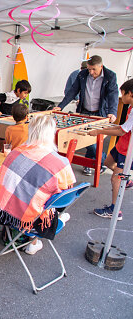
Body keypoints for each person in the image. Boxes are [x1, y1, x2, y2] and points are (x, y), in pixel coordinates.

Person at [0, 115, 76, 255]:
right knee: (52, 199)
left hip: (4, 213)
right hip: (36, 222)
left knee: (34, 194)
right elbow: (68, 190)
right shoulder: (61, 163)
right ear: (51, 133)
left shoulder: (14, 153)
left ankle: (30, 237)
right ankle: (33, 243)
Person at [55, 55, 119, 176]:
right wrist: (61, 106)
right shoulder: (82, 74)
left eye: (93, 69)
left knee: (92, 140)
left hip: (100, 113)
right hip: (84, 111)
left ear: (101, 66)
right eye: (89, 69)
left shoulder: (110, 76)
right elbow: (73, 91)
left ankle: (93, 163)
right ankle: (98, 162)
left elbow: (113, 95)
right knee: (88, 139)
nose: (91, 72)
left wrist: (112, 112)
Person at [88, 79, 133, 220]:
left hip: (128, 150)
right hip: (122, 146)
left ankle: (115, 211)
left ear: (130, 93)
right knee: (107, 162)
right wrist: (102, 128)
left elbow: (122, 131)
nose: (122, 96)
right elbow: (122, 126)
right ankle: (127, 181)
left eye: (123, 94)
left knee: (115, 179)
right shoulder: (131, 107)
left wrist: (99, 132)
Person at [0, 80, 31, 152]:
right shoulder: (8, 96)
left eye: (27, 94)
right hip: (1, 123)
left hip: (10, 123)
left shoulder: (19, 97)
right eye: (25, 93)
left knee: (7, 146)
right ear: (19, 90)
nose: (26, 95)